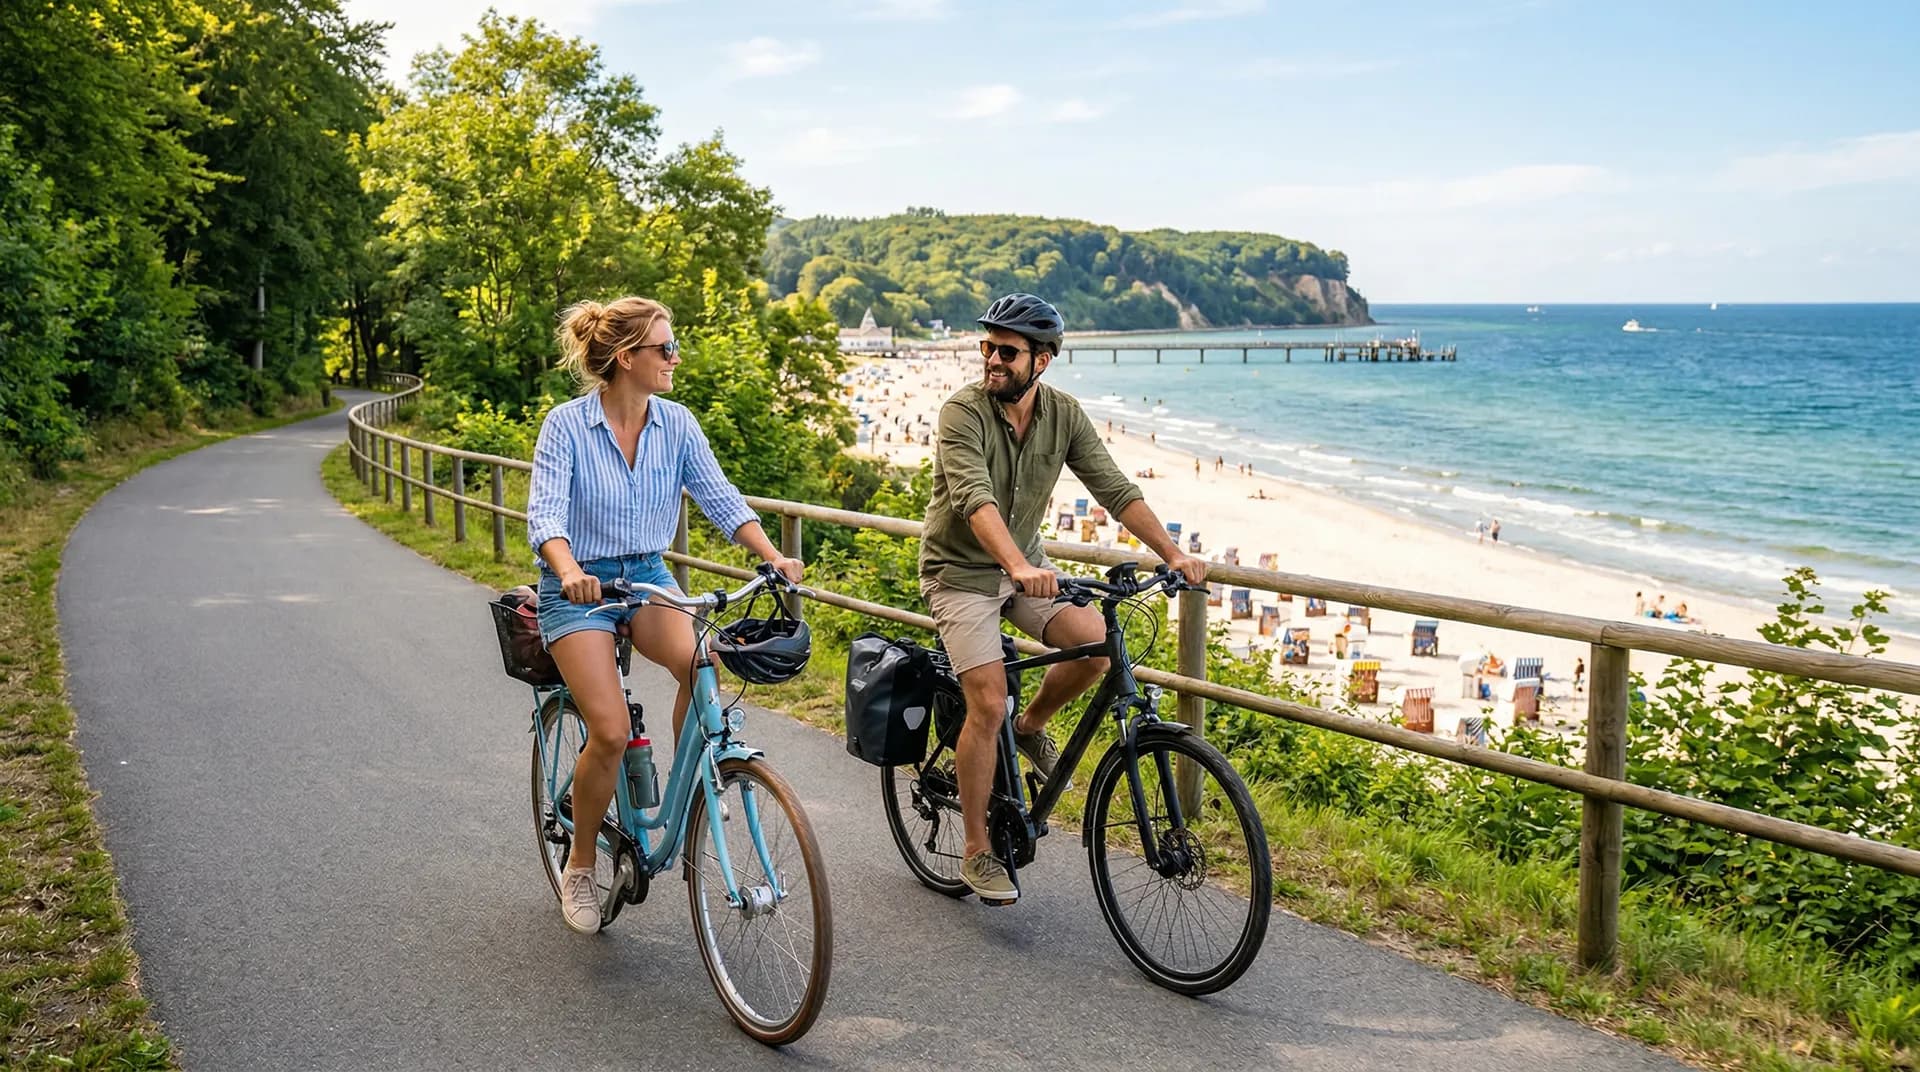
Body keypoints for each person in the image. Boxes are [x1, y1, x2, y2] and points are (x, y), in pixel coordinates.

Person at [527, 296, 805, 934]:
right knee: (611, 728)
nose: (676, 358)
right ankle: (578, 866)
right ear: (627, 359)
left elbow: (719, 497)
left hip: (648, 575)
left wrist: (773, 557)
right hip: (580, 587)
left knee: (699, 660)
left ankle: (697, 777)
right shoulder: (566, 426)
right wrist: (568, 569)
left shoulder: (676, 423)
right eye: (666, 348)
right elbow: (545, 515)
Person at [920, 293, 1207, 904]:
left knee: (1097, 648)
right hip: (961, 575)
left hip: (1027, 568)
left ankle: (1033, 726)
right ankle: (976, 851)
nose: (992, 359)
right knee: (987, 702)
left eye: (1007, 351)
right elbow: (975, 501)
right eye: (987, 347)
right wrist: (1018, 564)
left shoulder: (1065, 415)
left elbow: (1115, 488)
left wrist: (1172, 553)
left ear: (1042, 360)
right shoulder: (961, 413)